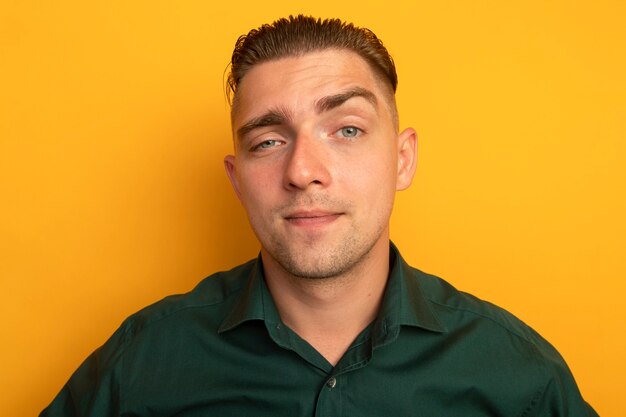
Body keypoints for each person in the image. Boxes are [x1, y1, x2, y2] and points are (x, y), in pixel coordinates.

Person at [41, 15, 598, 416]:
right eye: (267, 141)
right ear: (237, 182)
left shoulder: (516, 372)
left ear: (402, 160)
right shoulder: (144, 360)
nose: (303, 170)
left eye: (347, 130)